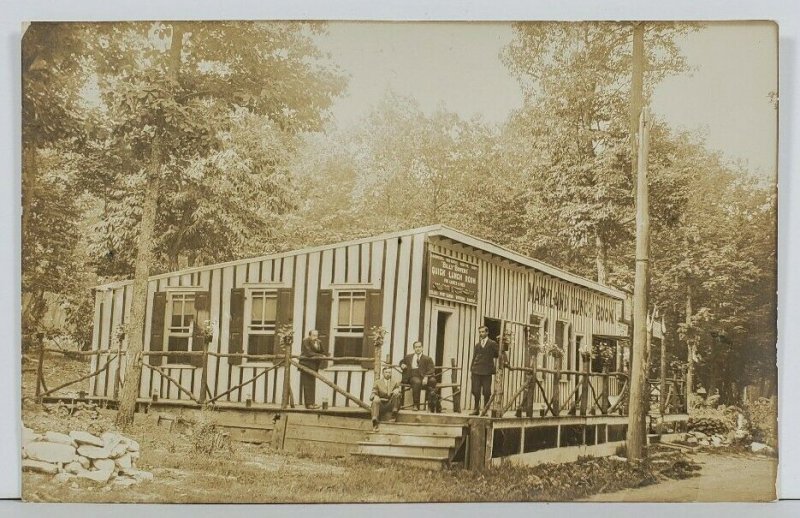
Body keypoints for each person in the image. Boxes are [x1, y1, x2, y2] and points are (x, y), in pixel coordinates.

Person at [400, 341, 439, 412]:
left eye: (419, 347)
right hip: (412, 376)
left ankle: (430, 405)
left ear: (422, 348)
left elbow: (431, 369)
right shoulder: (408, 357)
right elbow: (402, 362)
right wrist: (402, 365)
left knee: (433, 381)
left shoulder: (427, 358)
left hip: (424, 376)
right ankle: (416, 405)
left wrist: (426, 377)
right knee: (417, 382)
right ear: (414, 348)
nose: (418, 349)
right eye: (416, 347)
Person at [470, 325, 499, 415]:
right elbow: (474, 357)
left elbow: (497, 354)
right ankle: (476, 409)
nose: (481, 334)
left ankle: (485, 410)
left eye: (483, 332)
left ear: (487, 332)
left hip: (486, 372)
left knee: (486, 391)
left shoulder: (492, 343)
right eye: (480, 332)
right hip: (476, 371)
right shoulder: (477, 345)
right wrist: (472, 369)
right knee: (476, 391)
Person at [300, 329, 327, 409]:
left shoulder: (319, 342)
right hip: (306, 365)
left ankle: (312, 402)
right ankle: (308, 404)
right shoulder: (305, 341)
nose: (315, 337)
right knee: (307, 384)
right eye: (313, 335)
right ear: (310, 335)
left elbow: (322, 351)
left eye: (316, 335)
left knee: (312, 384)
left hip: (314, 366)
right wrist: (320, 356)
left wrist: (324, 355)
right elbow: (308, 353)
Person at [370, 366, 401, 431]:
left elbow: (399, 394)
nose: (388, 374)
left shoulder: (394, 382)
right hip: (381, 403)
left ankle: (394, 415)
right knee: (375, 400)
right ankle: (375, 422)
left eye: (389, 372)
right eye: (386, 372)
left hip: (390, 404)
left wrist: (397, 390)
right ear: (383, 373)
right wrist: (375, 396)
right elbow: (373, 392)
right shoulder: (377, 382)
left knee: (397, 394)